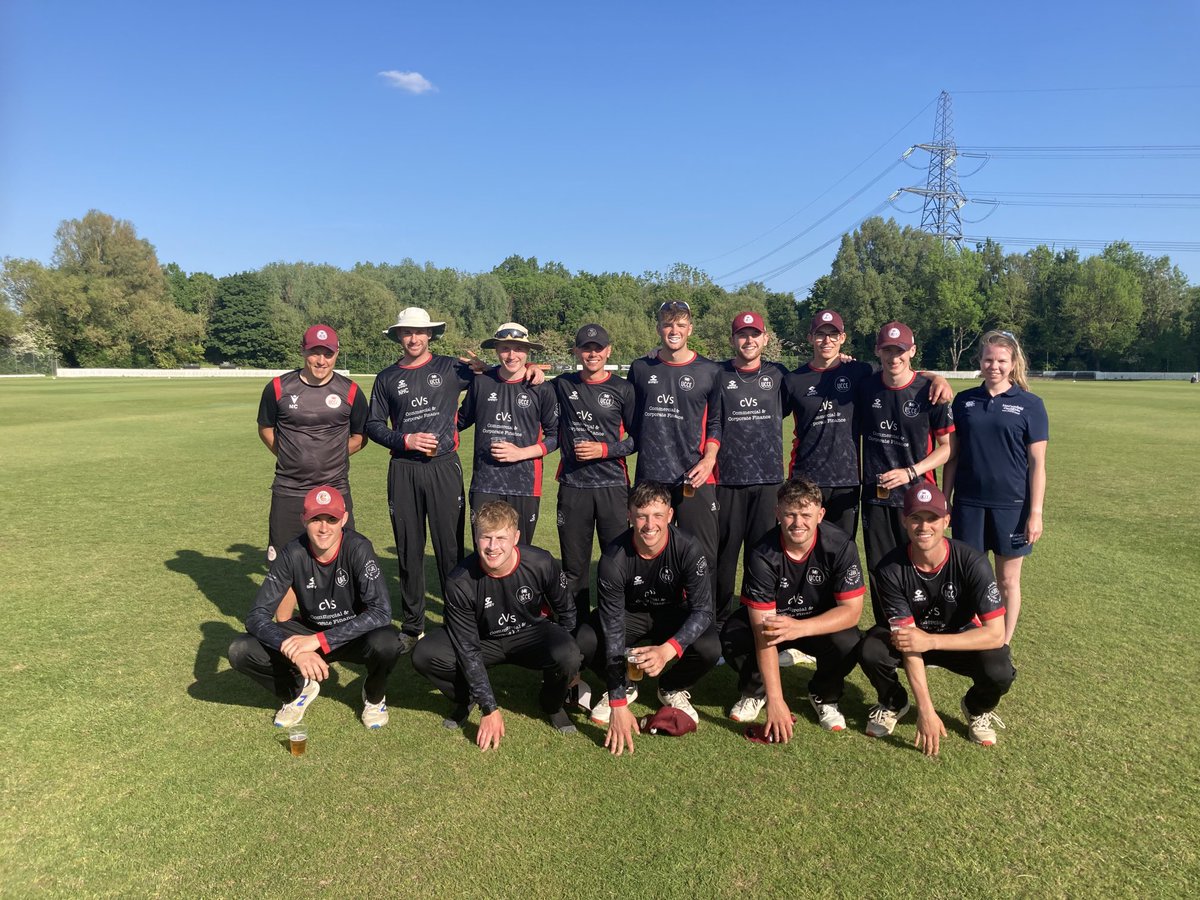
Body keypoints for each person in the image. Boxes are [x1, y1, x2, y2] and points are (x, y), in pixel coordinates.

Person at [367, 308, 543, 653]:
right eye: (407, 333)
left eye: (420, 333)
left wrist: (530, 369)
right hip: (403, 467)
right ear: (399, 337)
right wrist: (405, 440)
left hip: (444, 468)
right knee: (409, 548)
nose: (414, 339)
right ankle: (413, 624)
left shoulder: (452, 367)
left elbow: (497, 373)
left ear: (430, 335)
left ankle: (456, 621)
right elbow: (373, 425)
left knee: (450, 550)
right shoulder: (386, 377)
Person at [411, 501, 581, 750]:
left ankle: (552, 703)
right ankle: (467, 696)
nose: (493, 547)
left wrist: (566, 667)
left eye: (501, 537)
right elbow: (467, 647)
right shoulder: (460, 580)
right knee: (424, 654)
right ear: (476, 537)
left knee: (569, 653)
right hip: (483, 641)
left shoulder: (541, 562)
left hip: (530, 635)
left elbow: (566, 612)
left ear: (516, 537)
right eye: (486, 537)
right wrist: (488, 707)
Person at [859, 484, 1016, 753]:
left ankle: (976, 708)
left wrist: (931, 641)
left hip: (954, 639)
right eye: (916, 518)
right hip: (911, 641)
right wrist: (926, 711)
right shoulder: (890, 568)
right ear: (904, 520)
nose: (924, 526)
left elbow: (995, 634)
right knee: (870, 649)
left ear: (946, 520)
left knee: (1000, 668)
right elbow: (908, 640)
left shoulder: (972, 561)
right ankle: (894, 702)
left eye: (932, 518)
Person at [228, 486, 401, 729]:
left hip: (352, 635)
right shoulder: (291, 553)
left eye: (331, 519)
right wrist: (295, 650)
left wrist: (320, 640)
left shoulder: (358, 547)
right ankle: (299, 690)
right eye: (315, 519)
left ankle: (374, 697)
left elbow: (381, 610)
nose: (323, 528)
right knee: (240, 649)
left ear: (344, 519)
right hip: (308, 633)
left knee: (388, 642)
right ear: (303, 519)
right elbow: (256, 616)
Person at [575, 481, 720, 756]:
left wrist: (669, 650)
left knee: (710, 646)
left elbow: (703, 610)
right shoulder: (613, 558)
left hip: (671, 614)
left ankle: (670, 687)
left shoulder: (689, 548)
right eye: (641, 515)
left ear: (670, 516)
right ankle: (625, 686)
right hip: (630, 615)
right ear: (629, 516)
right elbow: (614, 626)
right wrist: (618, 702)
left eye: (657, 515)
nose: (649, 524)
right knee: (585, 639)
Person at [784, 310, 952, 539]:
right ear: (810, 337)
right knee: (801, 545)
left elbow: (901, 373)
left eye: (833, 334)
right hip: (805, 479)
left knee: (841, 552)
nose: (827, 340)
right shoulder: (793, 380)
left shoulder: (859, 371)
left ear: (842, 338)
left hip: (848, 482)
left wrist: (936, 378)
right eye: (820, 334)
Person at [720, 479, 865, 740]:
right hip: (775, 625)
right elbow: (763, 630)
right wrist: (777, 700)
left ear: (820, 515)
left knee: (850, 639)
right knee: (734, 634)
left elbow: (852, 612)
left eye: (806, 514)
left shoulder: (840, 545)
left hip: (817, 624)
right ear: (777, 513)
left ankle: (825, 694)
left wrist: (799, 627)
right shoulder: (762, 553)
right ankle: (757, 690)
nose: (798, 523)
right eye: (790, 514)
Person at [942, 330, 1048, 645]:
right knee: (969, 576)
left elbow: (1038, 465)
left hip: (1013, 508)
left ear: (1013, 363)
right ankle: (967, 634)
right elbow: (952, 457)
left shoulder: (1031, 404)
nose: (994, 366)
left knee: (1007, 580)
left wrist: (1036, 513)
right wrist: (945, 500)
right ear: (980, 361)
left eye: (1001, 360)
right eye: (988, 359)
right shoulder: (964, 401)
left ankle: (1002, 643)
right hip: (968, 504)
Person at [858, 321, 955, 625]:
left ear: (912, 350)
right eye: (888, 349)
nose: (894, 357)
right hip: (876, 497)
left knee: (922, 565)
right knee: (880, 568)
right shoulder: (867, 387)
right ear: (878, 350)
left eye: (900, 350)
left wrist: (910, 472)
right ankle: (889, 633)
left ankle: (926, 632)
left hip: (918, 497)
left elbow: (947, 447)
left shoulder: (930, 392)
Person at [625, 301, 722, 573]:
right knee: (649, 549)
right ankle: (654, 613)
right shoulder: (641, 368)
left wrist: (709, 459)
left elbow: (716, 422)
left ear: (690, 329)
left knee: (702, 556)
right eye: (668, 324)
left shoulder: (710, 371)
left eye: (680, 324)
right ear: (659, 328)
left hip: (695, 475)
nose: (674, 330)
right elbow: (626, 416)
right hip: (652, 475)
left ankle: (704, 615)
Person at [257, 324, 368, 563]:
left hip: (335, 488)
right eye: (314, 353)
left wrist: (332, 455)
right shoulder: (278, 388)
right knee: (283, 566)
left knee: (340, 562)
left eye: (328, 354)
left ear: (337, 353)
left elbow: (360, 437)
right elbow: (265, 428)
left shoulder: (350, 391)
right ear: (303, 351)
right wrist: (288, 455)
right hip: (289, 489)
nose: (321, 360)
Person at [713, 312, 791, 628]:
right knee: (724, 557)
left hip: (769, 481)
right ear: (733, 340)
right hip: (728, 480)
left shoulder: (780, 375)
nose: (749, 340)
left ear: (765, 339)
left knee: (763, 556)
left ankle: (756, 620)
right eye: (742, 335)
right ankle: (717, 623)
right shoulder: (716, 374)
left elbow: (822, 376)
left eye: (754, 334)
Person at [552, 324, 636, 618]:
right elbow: (524, 379)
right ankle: (575, 631)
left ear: (608, 350)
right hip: (574, 486)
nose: (592, 353)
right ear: (577, 352)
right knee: (574, 567)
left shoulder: (623, 388)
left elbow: (636, 439)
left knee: (615, 564)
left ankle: (616, 626)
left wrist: (604, 450)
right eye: (586, 348)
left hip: (613, 486)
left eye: (598, 348)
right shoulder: (562, 384)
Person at [457, 322, 558, 547]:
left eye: (518, 348)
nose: (512, 355)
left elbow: (555, 437)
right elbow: (460, 421)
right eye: (505, 348)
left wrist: (520, 453)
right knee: (486, 551)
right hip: (485, 483)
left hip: (525, 484)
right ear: (496, 350)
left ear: (527, 351)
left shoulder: (541, 388)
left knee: (520, 553)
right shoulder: (482, 382)